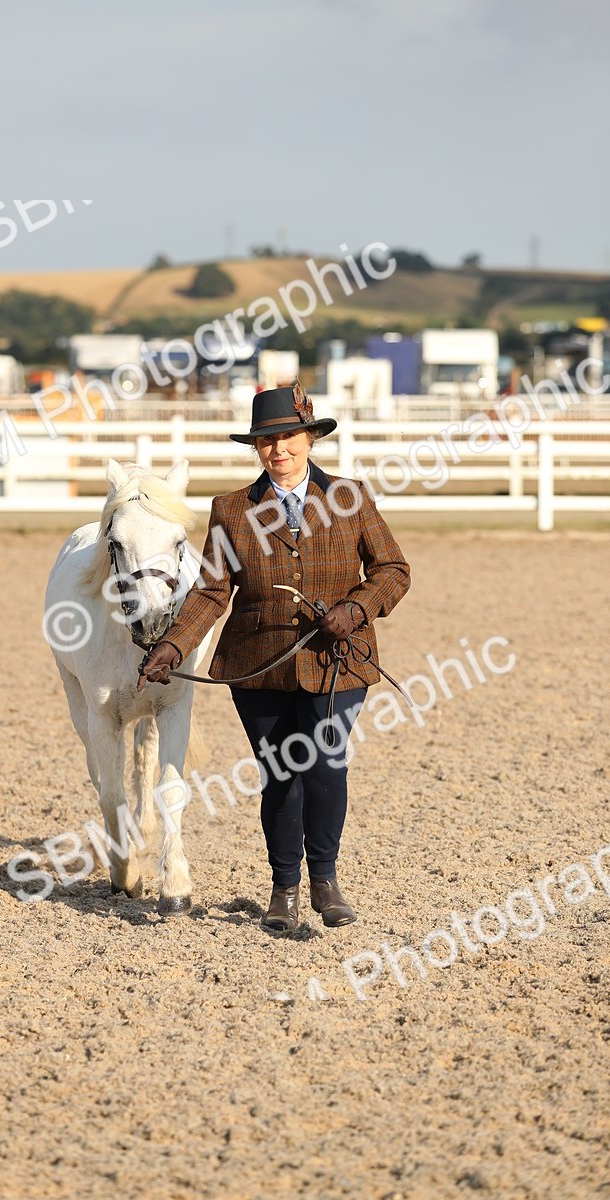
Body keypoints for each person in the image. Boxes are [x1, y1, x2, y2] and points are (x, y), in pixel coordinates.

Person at [137, 382, 410, 932]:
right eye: (266, 441)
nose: (278, 450)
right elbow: (214, 591)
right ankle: (283, 888)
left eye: (288, 437)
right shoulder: (232, 510)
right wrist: (172, 644)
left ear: (309, 438)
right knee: (280, 774)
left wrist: (355, 610)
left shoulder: (350, 497)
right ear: (256, 449)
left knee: (326, 764)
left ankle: (325, 881)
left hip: (338, 660)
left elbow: (393, 571)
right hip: (257, 664)